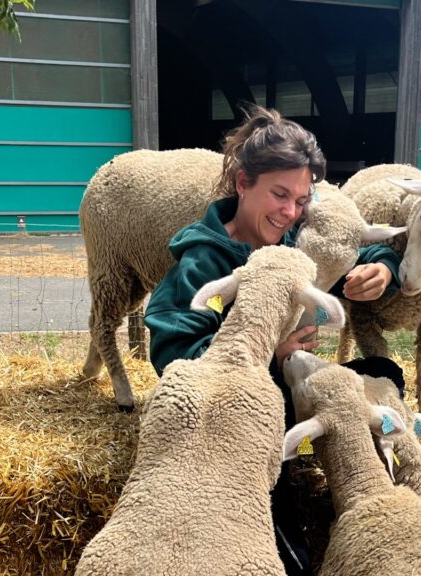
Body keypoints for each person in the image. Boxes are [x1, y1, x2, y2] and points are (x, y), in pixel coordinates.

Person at [144, 106, 405, 575]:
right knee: (285, 543)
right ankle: (289, 544)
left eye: (301, 200)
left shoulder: (293, 241)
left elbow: (355, 244)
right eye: (279, 195)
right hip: (242, 408)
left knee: (385, 373)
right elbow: (171, 352)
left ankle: (376, 497)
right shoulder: (203, 262)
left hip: (292, 386)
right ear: (244, 183)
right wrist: (270, 351)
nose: (289, 212)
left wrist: (382, 267)